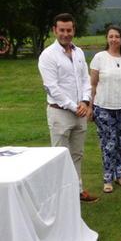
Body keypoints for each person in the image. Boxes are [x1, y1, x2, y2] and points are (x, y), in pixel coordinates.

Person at [38, 13, 99, 202]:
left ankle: (77, 191)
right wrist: (75, 106)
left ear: (74, 30)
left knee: (77, 154)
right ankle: (60, 198)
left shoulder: (79, 52)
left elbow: (85, 79)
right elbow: (52, 87)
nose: (66, 34)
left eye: (69, 30)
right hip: (60, 113)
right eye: (62, 30)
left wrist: (86, 101)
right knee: (58, 157)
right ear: (54, 30)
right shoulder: (48, 55)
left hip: (80, 112)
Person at [89, 25, 121, 193]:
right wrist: (90, 106)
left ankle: (120, 174)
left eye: (117, 36)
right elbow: (92, 84)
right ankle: (107, 178)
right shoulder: (99, 58)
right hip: (103, 107)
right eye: (111, 36)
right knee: (109, 144)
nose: (114, 39)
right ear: (107, 38)